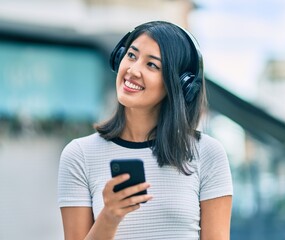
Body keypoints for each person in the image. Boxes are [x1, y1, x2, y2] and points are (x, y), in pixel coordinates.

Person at [57, 20, 233, 240]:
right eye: (131, 55)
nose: (133, 70)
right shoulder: (79, 155)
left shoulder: (207, 153)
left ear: (180, 84)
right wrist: (110, 216)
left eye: (152, 65)